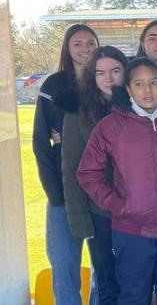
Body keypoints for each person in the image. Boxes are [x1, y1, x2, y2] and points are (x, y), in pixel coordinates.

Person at [77, 57, 157, 305]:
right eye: (139, 84)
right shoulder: (111, 126)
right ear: (128, 89)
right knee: (133, 297)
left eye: (154, 82)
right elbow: (87, 172)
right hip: (131, 231)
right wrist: (117, 204)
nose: (148, 90)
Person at [33, 23, 99, 305]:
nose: (85, 49)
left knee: (104, 266)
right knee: (64, 265)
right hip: (63, 190)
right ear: (67, 49)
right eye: (78, 44)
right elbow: (40, 142)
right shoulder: (54, 85)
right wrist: (54, 192)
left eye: (90, 43)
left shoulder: (107, 80)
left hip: (101, 191)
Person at [59, 46, 127, 305]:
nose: (108, 79)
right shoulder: (78, 111)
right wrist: (81, 222)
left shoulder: (140, 105)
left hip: (138, 211)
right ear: (92, 76)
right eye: (100, 73)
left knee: (136, 279)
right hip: (99, 213)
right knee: (107, 279)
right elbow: (71, 167)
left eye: (115, 71)